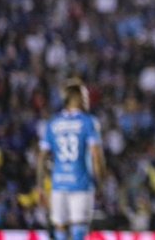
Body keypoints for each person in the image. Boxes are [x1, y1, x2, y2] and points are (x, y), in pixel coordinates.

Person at [37, 79, 106, 240]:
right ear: (77, 98)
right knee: (79, 230)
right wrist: (101, 181)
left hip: (59, 183)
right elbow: (96, 155)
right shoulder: (88, 122)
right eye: (85, 96)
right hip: (81, 183)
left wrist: (40, 186)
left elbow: (41, 157)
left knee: (60, 228)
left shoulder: (53, 123)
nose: (88, 100)